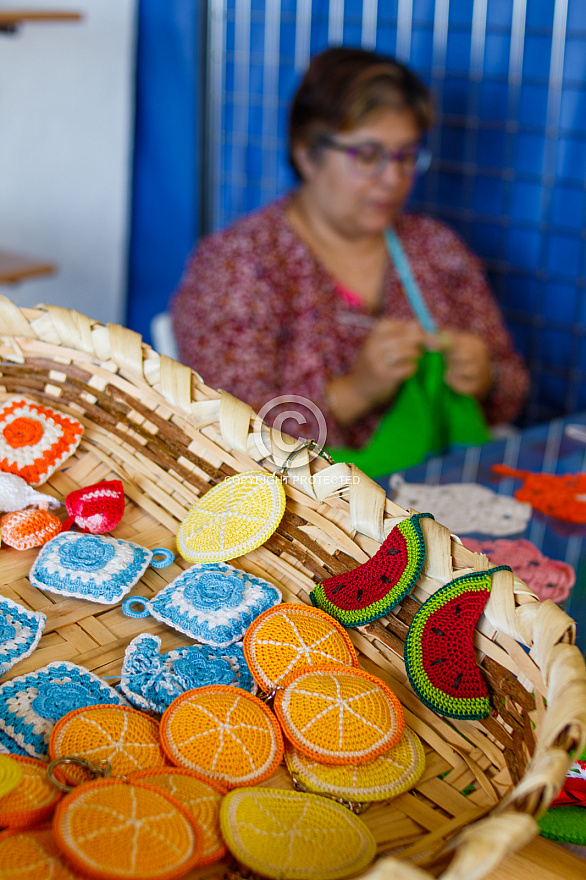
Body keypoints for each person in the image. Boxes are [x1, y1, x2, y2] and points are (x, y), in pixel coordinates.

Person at [171, 46, 529, 475]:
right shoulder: (238, 264)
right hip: (311, 519)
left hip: (440, 495)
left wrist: (483, 377)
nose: (394, 179)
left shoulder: (435, 249)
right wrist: (353, 393)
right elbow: (228, 435)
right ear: (307, 153)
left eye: (407, 155)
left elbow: (513, 384)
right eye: (367, 156)